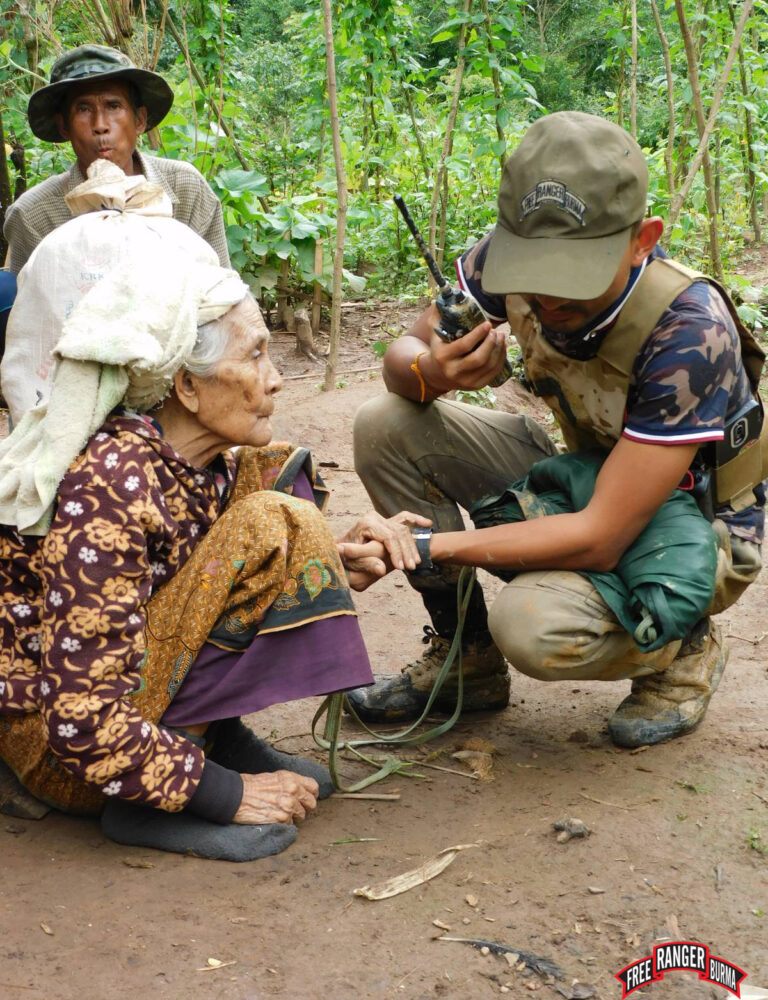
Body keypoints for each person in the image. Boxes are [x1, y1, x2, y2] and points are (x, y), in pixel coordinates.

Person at [0, 215, 426, 861]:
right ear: (187, 386)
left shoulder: (203, 465)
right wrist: (222, 795)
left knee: (274, 487)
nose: (275, 378)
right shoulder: (111, 483)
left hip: (129, 710)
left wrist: (332, 559)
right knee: (271, 519)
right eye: (254, 355)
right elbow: (80, 718)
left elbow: (192, 583)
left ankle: (213, 735)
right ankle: (165, 785)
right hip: (68, 755)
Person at [348, 110, 766, 749]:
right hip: (585, 476)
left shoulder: (688, 329)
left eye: (574, 274)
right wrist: (431, 370)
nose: (547, 298)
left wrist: (422, 545)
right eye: (534, 270)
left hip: (692, 526)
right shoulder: (504, 258)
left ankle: (682, 647)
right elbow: (403, 354)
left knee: (533, 624)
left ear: (642, 240)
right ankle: (466, 660)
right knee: (385, 424)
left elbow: (600, 537)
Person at [3, 44, 229, 274]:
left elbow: (223, 286)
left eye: (113, 106)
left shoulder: (187, 190)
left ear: (139, 120)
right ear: (64, 126)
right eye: (83, 109)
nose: (100, 125)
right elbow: (31, 295)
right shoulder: (34, 215)